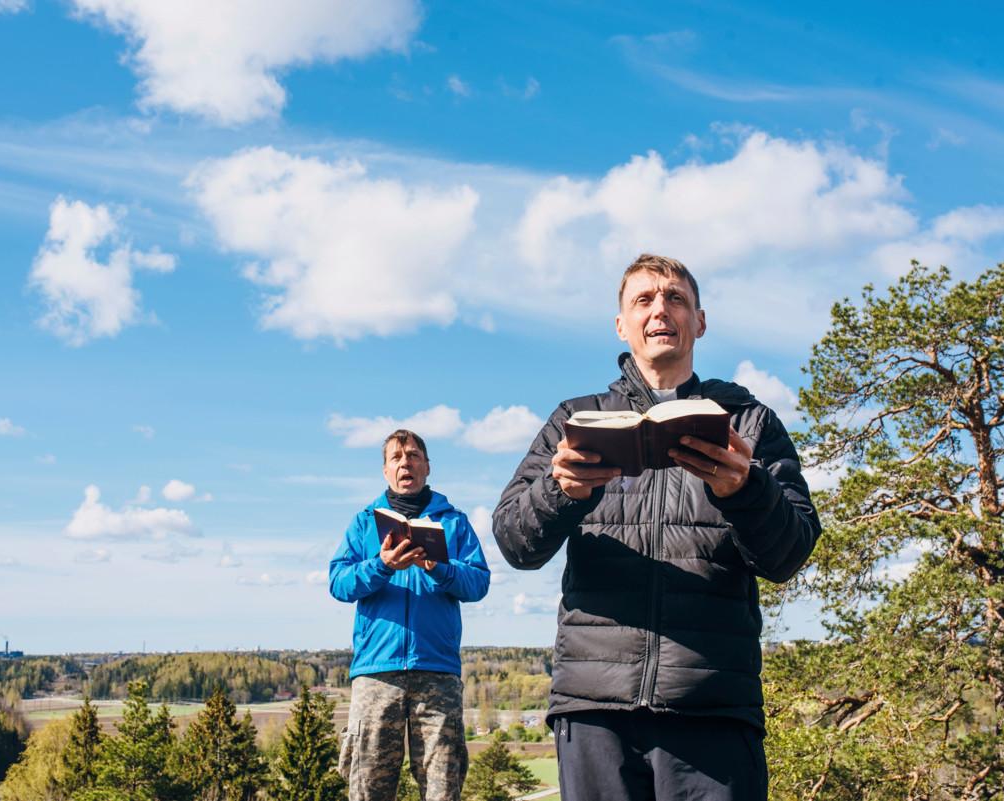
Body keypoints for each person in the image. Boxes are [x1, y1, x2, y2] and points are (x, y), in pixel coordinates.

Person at [492, 254, 821, 801]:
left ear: (700, 321)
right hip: (594, 706)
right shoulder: (577, 420)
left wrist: (748, 490)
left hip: (712, 704)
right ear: (621, 324)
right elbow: (515, 543)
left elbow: (790, 554)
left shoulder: (749, 421)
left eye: (676, 299)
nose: (659, 310)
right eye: (642, 300)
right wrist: (560, 492)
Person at [330, 429, 490, 801]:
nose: (406, 463)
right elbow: (339, 582)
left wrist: (440, 568)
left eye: (414, 456)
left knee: (442, 786)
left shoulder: (454, 522)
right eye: (397, 458)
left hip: (437, 671)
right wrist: (381, 565)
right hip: (376, 674)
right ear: (385, 471)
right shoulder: (363, 523)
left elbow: (478, 583)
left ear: (427, 467)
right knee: (368, 785)